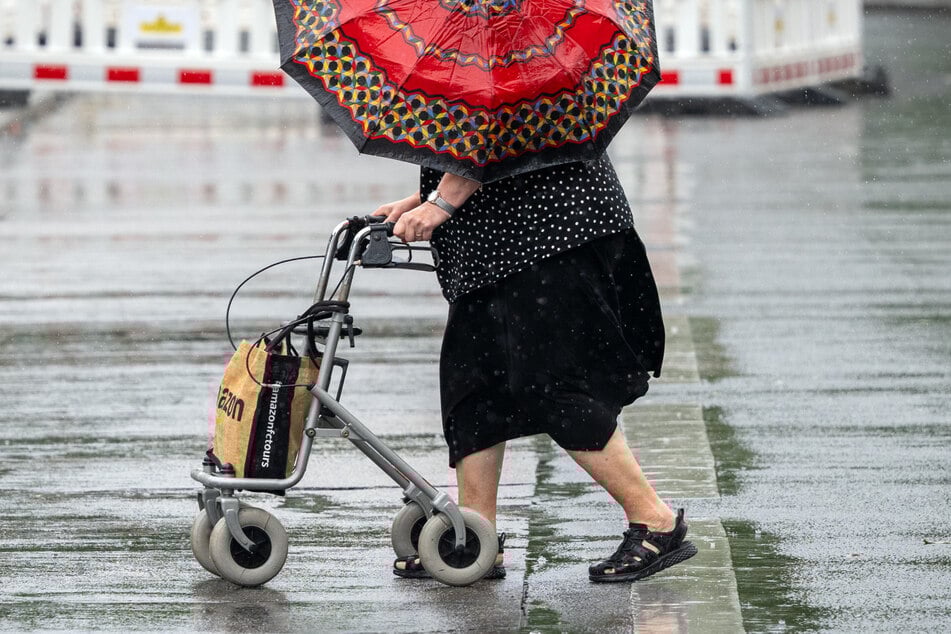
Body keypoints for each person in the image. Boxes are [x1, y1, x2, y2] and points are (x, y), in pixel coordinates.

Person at [375, 157, 696, 583]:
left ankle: (655, 519)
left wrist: (442, 205)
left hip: (552, 235)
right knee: (473, 388)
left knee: (550, 385)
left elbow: (499, 133)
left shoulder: (520, 89)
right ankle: (475, 538)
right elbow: (494, 153)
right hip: (498, 245)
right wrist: (423, 199)